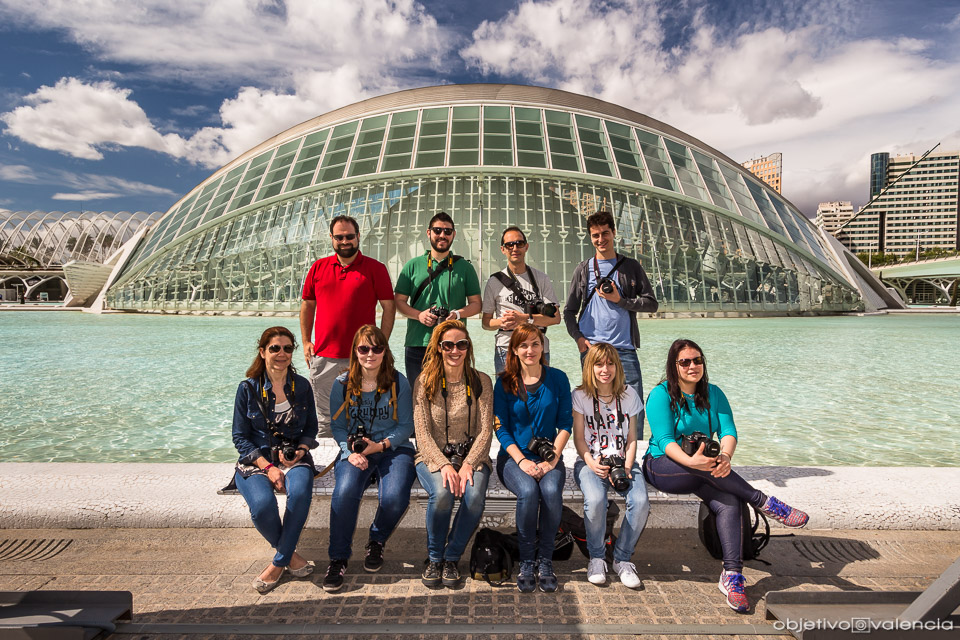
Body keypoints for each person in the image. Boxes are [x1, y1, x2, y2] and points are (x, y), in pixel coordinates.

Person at [643, 338, 809, 612]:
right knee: (717, 478)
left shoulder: (714, 393)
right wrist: (693, 462)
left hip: (705, 469)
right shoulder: (660, 394)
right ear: (674, 366)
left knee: (731, 501)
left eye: (697, 360)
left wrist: (725, 457)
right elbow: (663, 440)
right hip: (664, 466)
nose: (692, 366)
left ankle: (732, 576)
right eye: (684, 362)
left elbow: (729, 431)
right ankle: (764, 502)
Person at [324, 325, 416, 592]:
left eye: (377, 348)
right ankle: (338, 558)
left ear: (385, 351)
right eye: (364, 348)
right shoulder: (341, 385)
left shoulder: (399, 382)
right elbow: (338, 426)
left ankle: (376, 540)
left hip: (392, 448)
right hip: (356, 451)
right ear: (355, 351)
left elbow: (406, 426)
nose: (370, 354)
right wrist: (349, 451)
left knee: (395, 497)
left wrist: (379, 446)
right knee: (344, 492)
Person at [232, 326, 319, 594]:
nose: (282, 354)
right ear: (263, 352)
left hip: (295, 457)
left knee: (301, 493)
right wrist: (269, 467)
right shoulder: (247, 388)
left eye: (288, 348)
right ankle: (290, 557)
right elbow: (240, 437)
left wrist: (301, 451)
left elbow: (311, 429)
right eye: (275, 348)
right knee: (261, 507)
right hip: (257, 460)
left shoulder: (302, 385)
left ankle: (278, 562)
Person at [413, 319, 494, 588]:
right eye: (448, 345)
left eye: (461, 344)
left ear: (468, 347)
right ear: (438, 348)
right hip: (432, 456)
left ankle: (451, 557)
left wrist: (469, 462)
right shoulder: (425, 381)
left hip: (474, 456)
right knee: (443, 493)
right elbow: (422, 433)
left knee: (473, 499)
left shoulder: (481, 380)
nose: (454, 350)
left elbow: (485, 430)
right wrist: (443, 464)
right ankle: (434, 557)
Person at [493, 324, 572, 593]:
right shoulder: (503, 382)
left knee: (550, 491)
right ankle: (527, 560)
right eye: (523, 345)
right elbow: (500, 428)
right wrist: (522, 461)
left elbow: (565, 423)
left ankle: (545, 560)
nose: (530, 350)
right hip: (513, 459)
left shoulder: (558, 378)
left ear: (542, 346)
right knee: (528, 491)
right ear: (514, 349)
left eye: (535, 344)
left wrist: (551, 461)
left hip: (550, 456)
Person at [300, 215, 395, 438]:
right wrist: (305, 341)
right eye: (339, 237)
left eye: (350, 236)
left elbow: (388, 308)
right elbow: (307, 305)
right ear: (331, 238)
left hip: (363, 357)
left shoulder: (375, 268)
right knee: (325, 420)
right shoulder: (318, 267)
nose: (345, 241)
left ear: (358, 236)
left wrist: (381, 343)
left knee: (367, 416)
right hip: (325, 357)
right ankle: (330, 470)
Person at [563, 210, 657, 429]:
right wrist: (578, 338)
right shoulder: (583, 269)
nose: (601, 239)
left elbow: (652, 303)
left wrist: (621, 300)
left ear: (614, 233)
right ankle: (598, 452)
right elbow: (569, 311)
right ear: (590, 237)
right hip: (592, 349)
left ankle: (632, 453)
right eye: (595, 235)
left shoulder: (631, 266)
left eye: (605, 233)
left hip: (624, 348)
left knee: (633, 408)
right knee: (594, 407)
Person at [572, 343, 649, 589]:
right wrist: (592, 463)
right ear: (589, 367)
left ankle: (622, 559)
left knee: (640, 502)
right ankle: (596, 557)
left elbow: (632, 437)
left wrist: (628, 463)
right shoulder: (580, 395)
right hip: (590, 461)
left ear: (617, 366)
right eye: (599, 364)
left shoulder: (630, 395)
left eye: (610, 363)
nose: (605, 369)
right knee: (595, 500)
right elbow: (579, 438)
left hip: (623, 461)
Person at [394, 212, 482, 384]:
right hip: (418, 344)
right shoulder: (412, 266)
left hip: (453, 346)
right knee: (418, 398)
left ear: (454, 235)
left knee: (453, 398)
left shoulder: (465, 267)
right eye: (437, 230)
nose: (443, 235)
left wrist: (456, 314)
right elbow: (399, 302)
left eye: (448, 231)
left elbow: (476, 304)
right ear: (429, 233)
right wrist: (419, 315)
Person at [482, 226, 561, 374]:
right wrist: (501, 322)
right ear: (502, 249)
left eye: (519, 243)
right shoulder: (494, 281)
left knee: (539, 394)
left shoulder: (541, 278)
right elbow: (486, 322)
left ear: (526, 246)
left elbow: (556, 318)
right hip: (506, 348)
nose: (514, 248)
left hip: (538, 348)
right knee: (507, 395)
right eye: (509, 245)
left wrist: (524, 319)